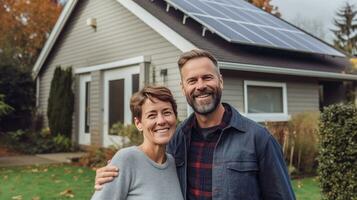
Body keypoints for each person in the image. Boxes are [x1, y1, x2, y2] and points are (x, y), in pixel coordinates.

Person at [95, 49, 296, 200]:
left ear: (221, 81)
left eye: (207, 77)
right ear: (183, 88)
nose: (200, 86)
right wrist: (109, 179)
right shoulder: (177, 140)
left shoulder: (258, 138)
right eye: (192, 81)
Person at [91, 85, 184, 200]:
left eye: (167, 113)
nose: (161, 121)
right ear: (138, 123)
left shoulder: (174, 164)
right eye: (152, 115)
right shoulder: (126, 159)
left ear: (175, 117)